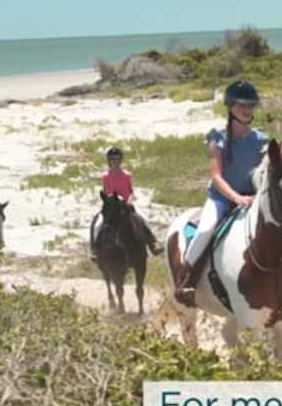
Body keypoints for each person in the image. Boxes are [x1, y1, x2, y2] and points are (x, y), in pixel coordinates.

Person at [175, 80, 268, 304]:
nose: (246, 110)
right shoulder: (218, 137)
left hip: (252, 198)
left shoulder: (261, 139)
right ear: (230, 107)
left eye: (250, 106)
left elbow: (266, 169)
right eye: (241, 106)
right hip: (222, 199)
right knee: (205, 230)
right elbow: (216, 176)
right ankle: (187, 281)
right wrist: (236, 198)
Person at [90, 146, 164, 261]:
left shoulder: (127, 175)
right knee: (97, 224)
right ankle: (94, 249)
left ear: (121, 160)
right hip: (111, 207)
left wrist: (129, 200)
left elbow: (130, 191)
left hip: (124, 206)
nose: (115, 162)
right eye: (113, 159)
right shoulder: (105, 177)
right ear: (109, 161)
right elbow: (105, 191)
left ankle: (153, 244)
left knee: (142, 220)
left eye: (117, 159)